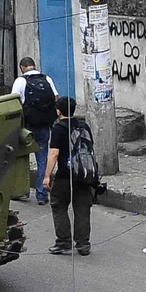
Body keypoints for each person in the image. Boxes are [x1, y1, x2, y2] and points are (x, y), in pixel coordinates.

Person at [43, 96, 96, 256]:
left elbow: (53, 154)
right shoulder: (83, 126)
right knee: (82, 209)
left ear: (58, 111)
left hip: (65, 176)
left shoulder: (59, 128)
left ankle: (63, 242)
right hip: (84, 174)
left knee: (58, 205)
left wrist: (47, 176)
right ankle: (83, 244)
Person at [12, 58, 59, 204]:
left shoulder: (20, 81)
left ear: (22, 67)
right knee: (42, 159)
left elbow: (14, 101)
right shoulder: (47, 78)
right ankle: (41, 195)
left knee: (19, 157)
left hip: (26, 126)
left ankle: (20, 191)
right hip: (43, 126)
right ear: (34, 66)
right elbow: (56, 98)